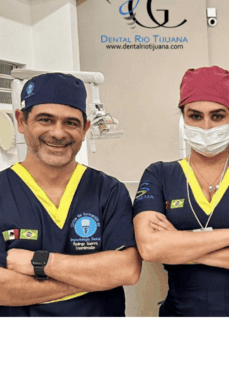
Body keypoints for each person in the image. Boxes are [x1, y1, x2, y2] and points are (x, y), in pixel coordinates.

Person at [133, 66, 229, 317]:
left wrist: (180, 245)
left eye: (217, 116)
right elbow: (151, 248)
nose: (206, 127)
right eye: (195, 116)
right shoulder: (159, 175)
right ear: (183, 118)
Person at [0, 73, 141, 317]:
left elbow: (126, 270)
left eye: (71, 123)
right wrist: (93, 278)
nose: (58, 133)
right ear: (21, 121)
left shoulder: (108, 191)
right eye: (45, 120)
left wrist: (40, 263)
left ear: (85, 129)